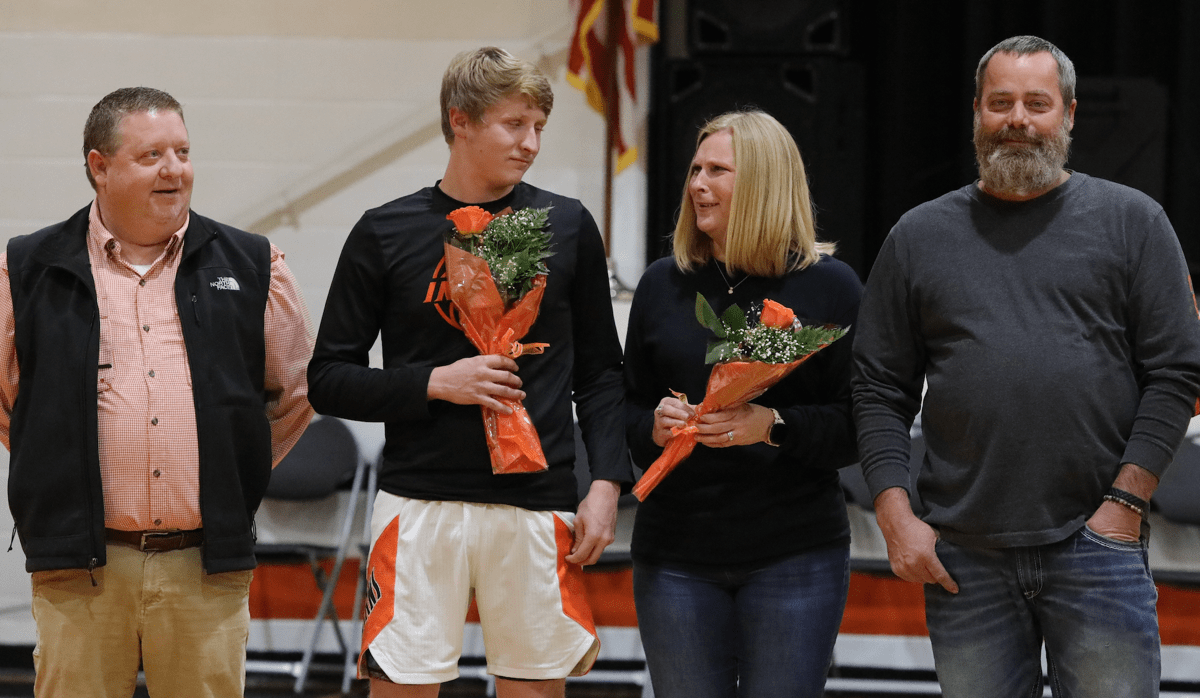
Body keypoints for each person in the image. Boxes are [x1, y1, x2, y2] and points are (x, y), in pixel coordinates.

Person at [852, 35, 1200, 698]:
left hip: (1098, 544)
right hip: (963, 557)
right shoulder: (918, 237)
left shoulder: (1133, 223)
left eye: (1036, 103)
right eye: (1001, 102)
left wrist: (1124, 504)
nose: (1018, 119)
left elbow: (1178, 371)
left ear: (1068, 114)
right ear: (977, 113)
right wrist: (895, 515)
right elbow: (876, 388)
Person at [307, 47, 632, 698]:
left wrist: (605, 487)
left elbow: (600, 373)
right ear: (460, 121)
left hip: (538, 508)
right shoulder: (386, 231)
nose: (532, 143)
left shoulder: (566, 225)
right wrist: (433, 382)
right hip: (420, 503)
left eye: (539, 125)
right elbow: (328, 377)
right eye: (515, 124)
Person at [0, 86, 314, 697]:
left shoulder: (254, 264)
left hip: (205, 563)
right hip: (78, 567)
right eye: (152, 156)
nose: (175, 169)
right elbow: (7, 398)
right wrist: (56, 462)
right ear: (99, 166)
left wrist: (231, 469)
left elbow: (297, 390)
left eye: (183, 151)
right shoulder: (28, 266)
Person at [623, 110, 861, 698]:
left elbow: (860, 426)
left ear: (763, 183)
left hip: (795, 556)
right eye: (695, 169)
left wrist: (772, 426)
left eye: (717, 171)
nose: (697, 183)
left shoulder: (831, 287)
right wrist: (653, 426)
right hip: (674, 555)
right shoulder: (661, 283)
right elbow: (623, 411)